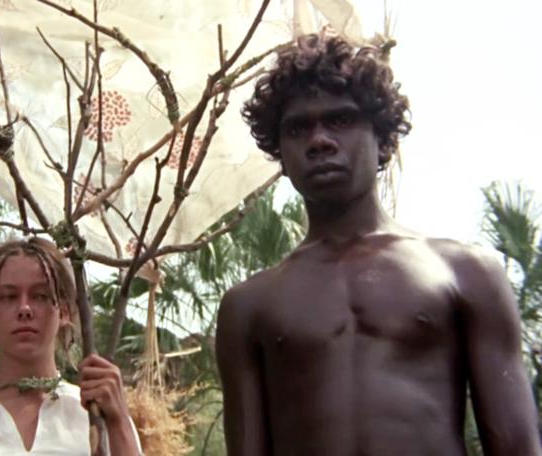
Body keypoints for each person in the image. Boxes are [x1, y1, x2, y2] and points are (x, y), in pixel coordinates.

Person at [216, 33, 542, 455]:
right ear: (279, 150)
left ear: (383, 138)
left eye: (341, 120)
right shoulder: (249, 306)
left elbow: (516, 446)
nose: (319, 140)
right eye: (298, 127)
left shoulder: (465, 273)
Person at [0, 238, 141, 455]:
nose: (24, 308)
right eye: (9, 297)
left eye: (40, 296)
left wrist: (120, 421)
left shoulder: (97, 418)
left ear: (63, 311)